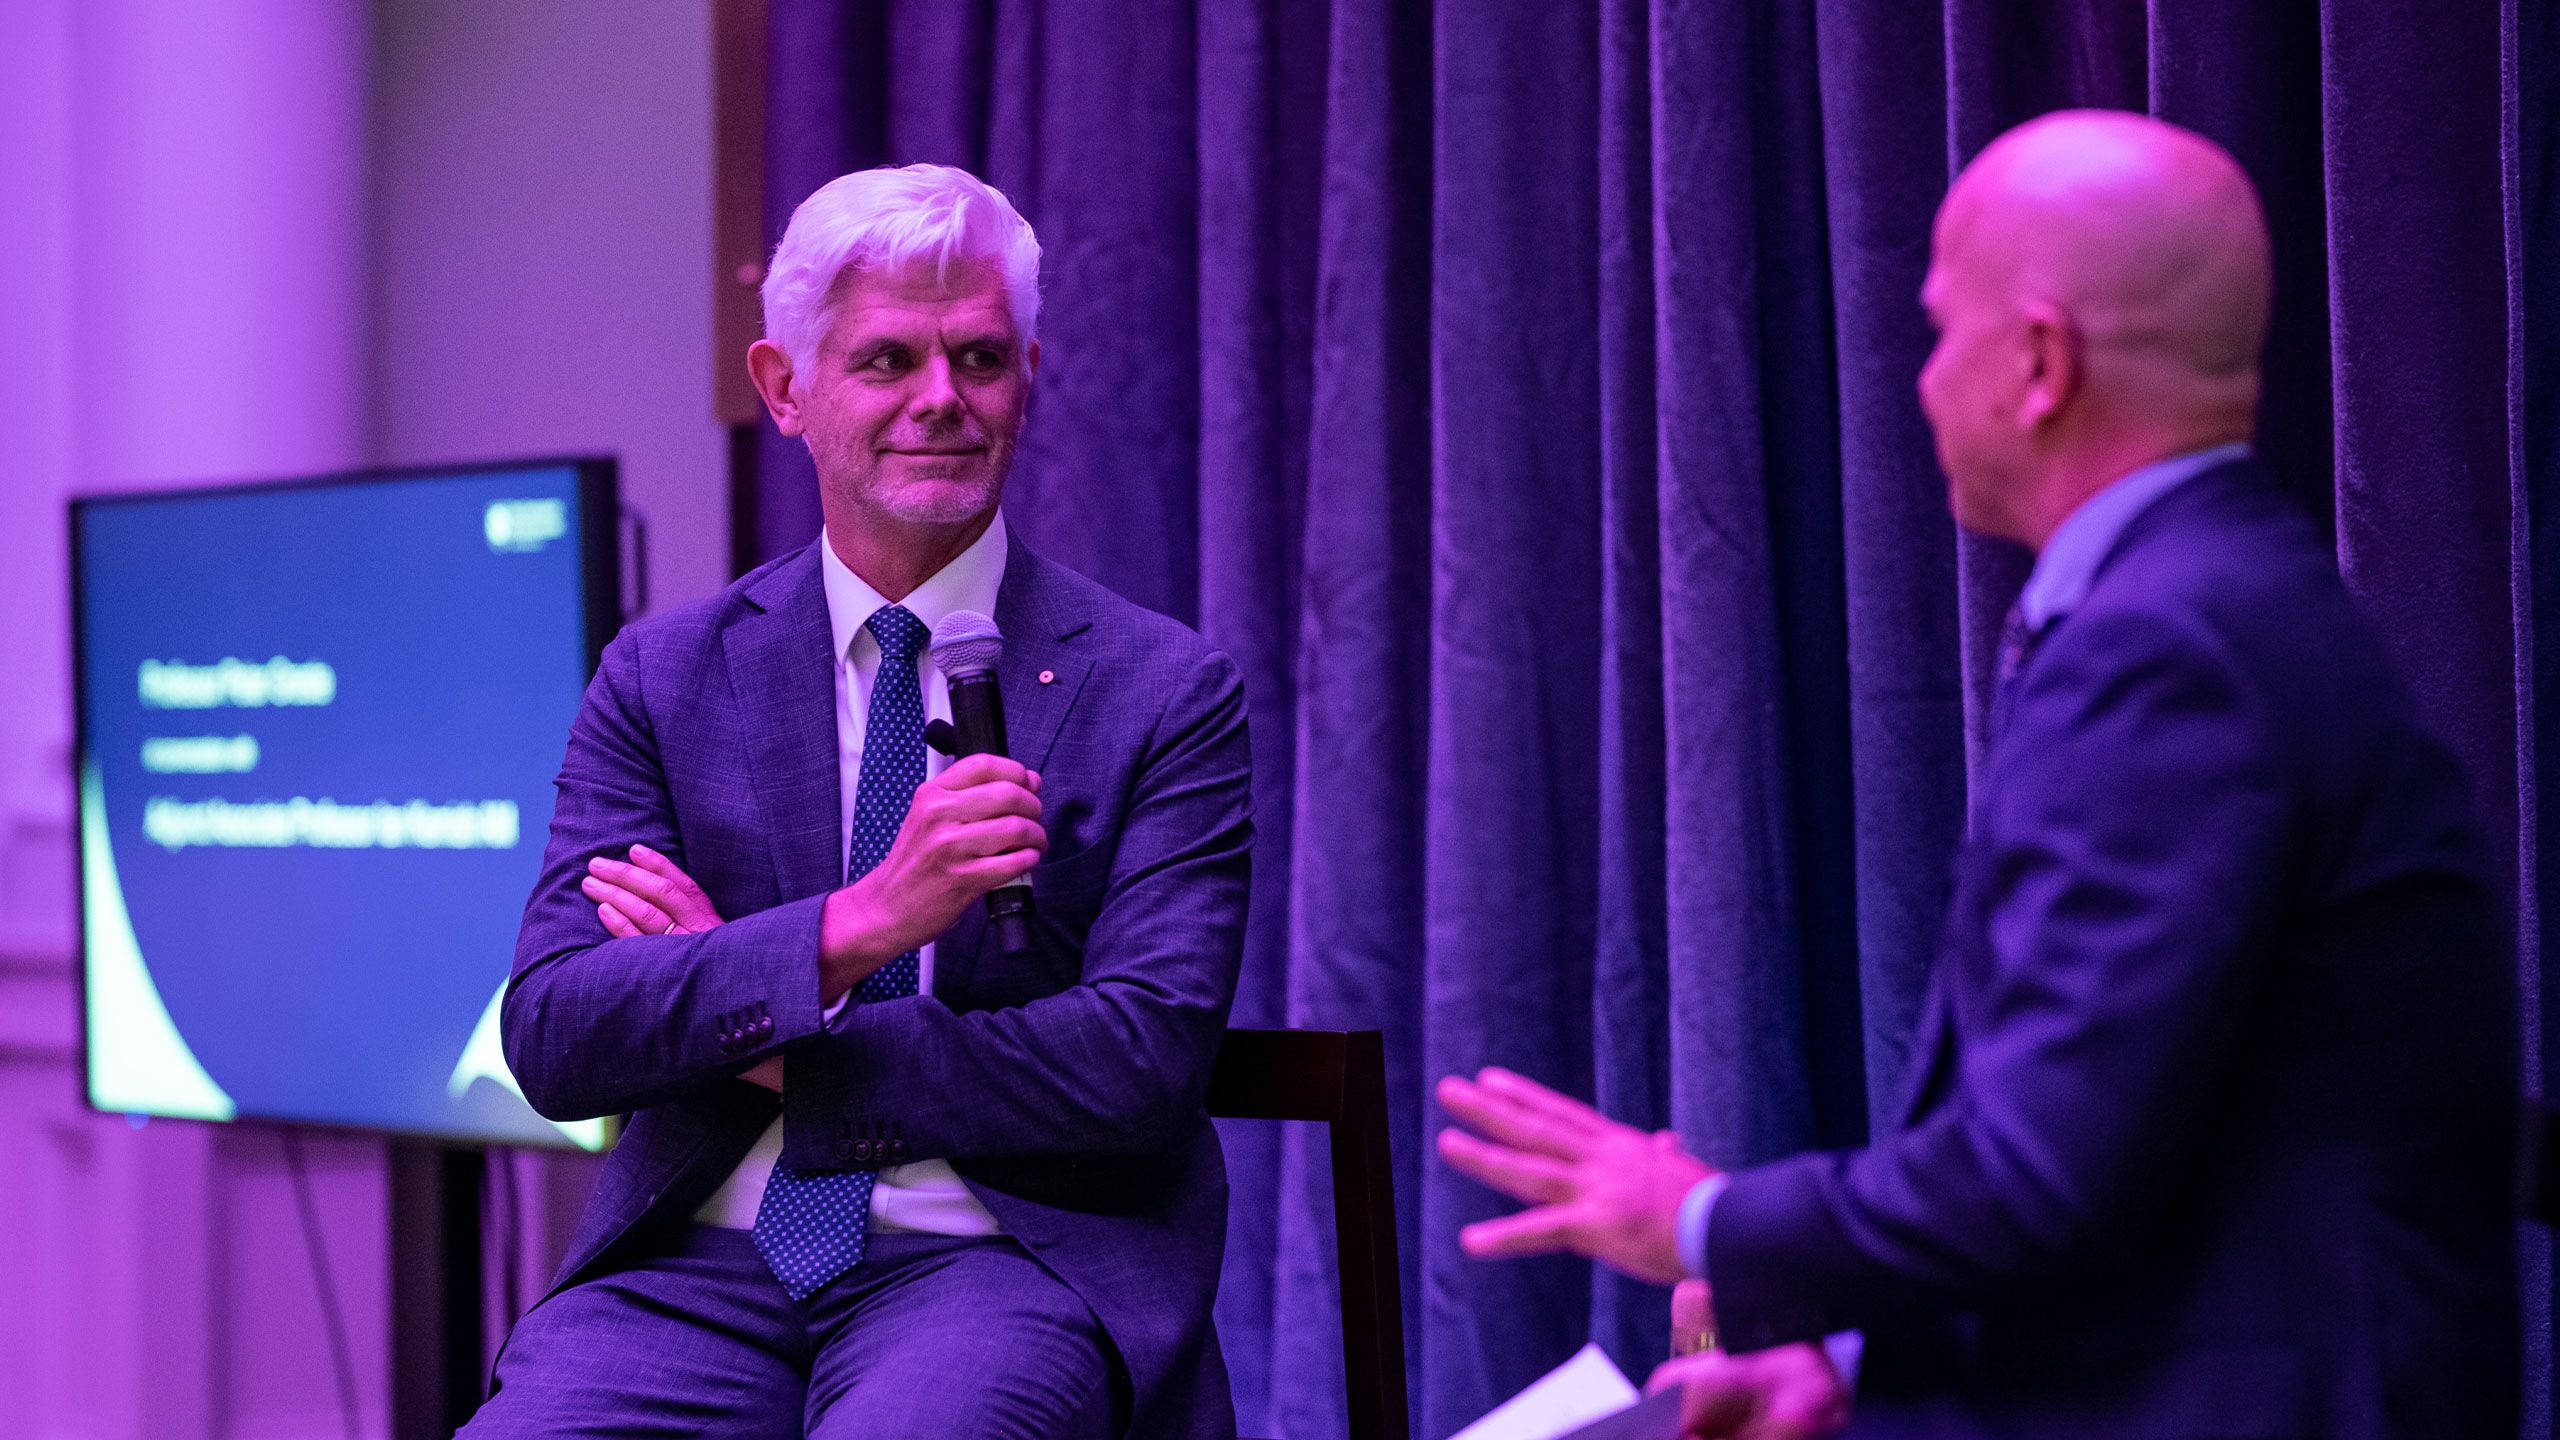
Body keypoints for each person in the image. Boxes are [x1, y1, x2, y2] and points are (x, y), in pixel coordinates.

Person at [1436, 110, 2518, 1438]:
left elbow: (2039, 1178)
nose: (1925, 377)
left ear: (2040, 364)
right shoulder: (2231, 605)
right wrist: (1845, 1360)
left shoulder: (2171, 649)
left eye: (1945, 331)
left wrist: (1698, 1224)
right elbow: (2161, 1153)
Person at [467, 163, 1253, 1439]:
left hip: (999, 1269)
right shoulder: (667, 675)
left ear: (1029, 374)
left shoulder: (1161, 689)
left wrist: (756, 1019)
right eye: (888, 361)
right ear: (786, 387)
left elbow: (1135, 1069)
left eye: (980, 358)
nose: (941, 400)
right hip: (689, 1277)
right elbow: (560, 1033)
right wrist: (859, 926)